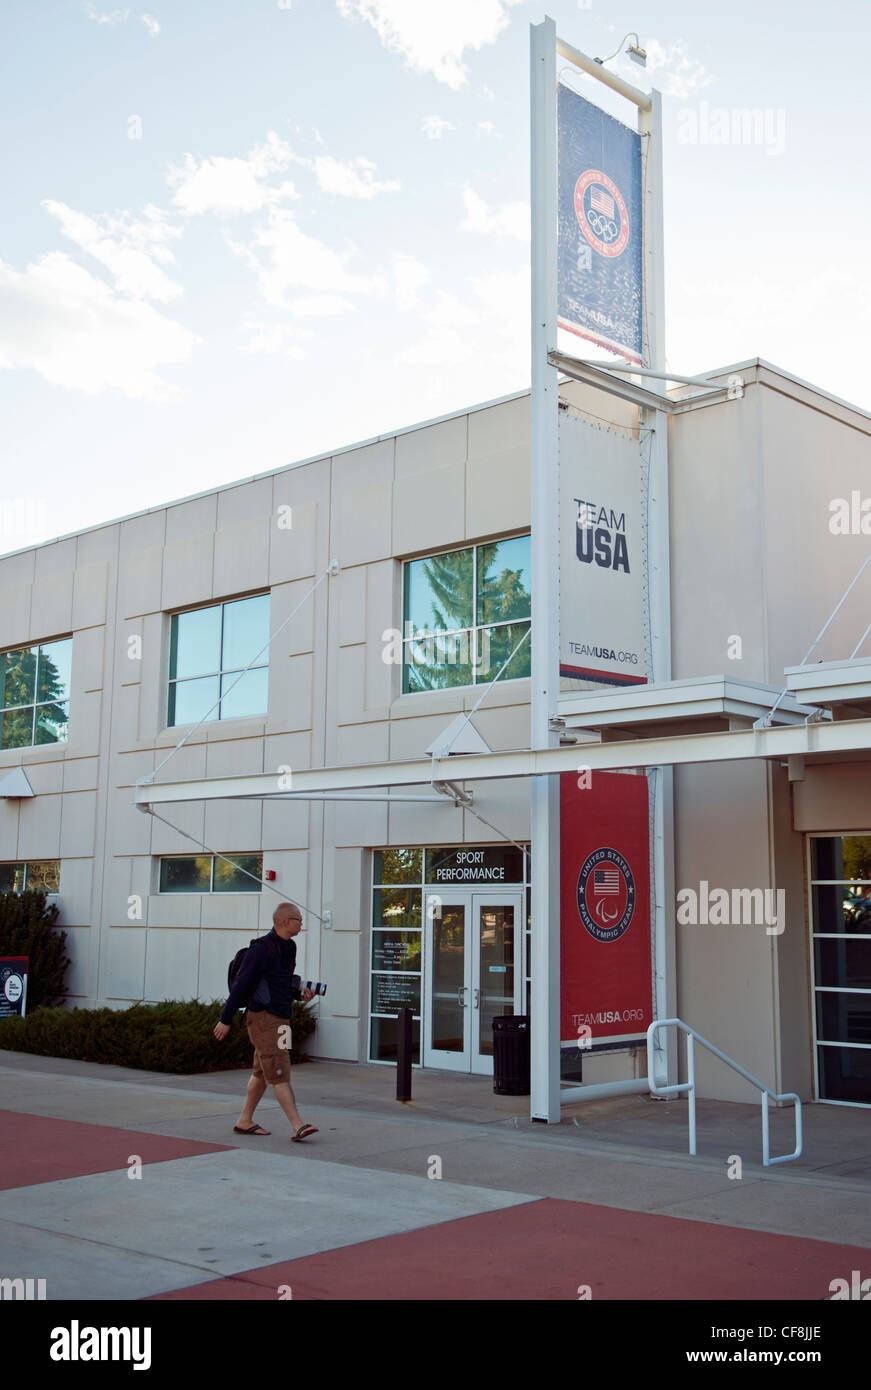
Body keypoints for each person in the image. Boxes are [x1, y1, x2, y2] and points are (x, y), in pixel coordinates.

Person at [213, 901, 318, 1142]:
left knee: (262, 1071)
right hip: (263, 1018)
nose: (301, 924)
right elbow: (242, 984)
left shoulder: (289, 947)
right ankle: (297, 1125)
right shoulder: (261, 949)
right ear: (284, 921)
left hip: (282, 1018)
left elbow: (281, 982)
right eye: (298, 920)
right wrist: (225, 1019)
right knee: (279, 1069)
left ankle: (244, 1120)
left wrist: (299, 994)